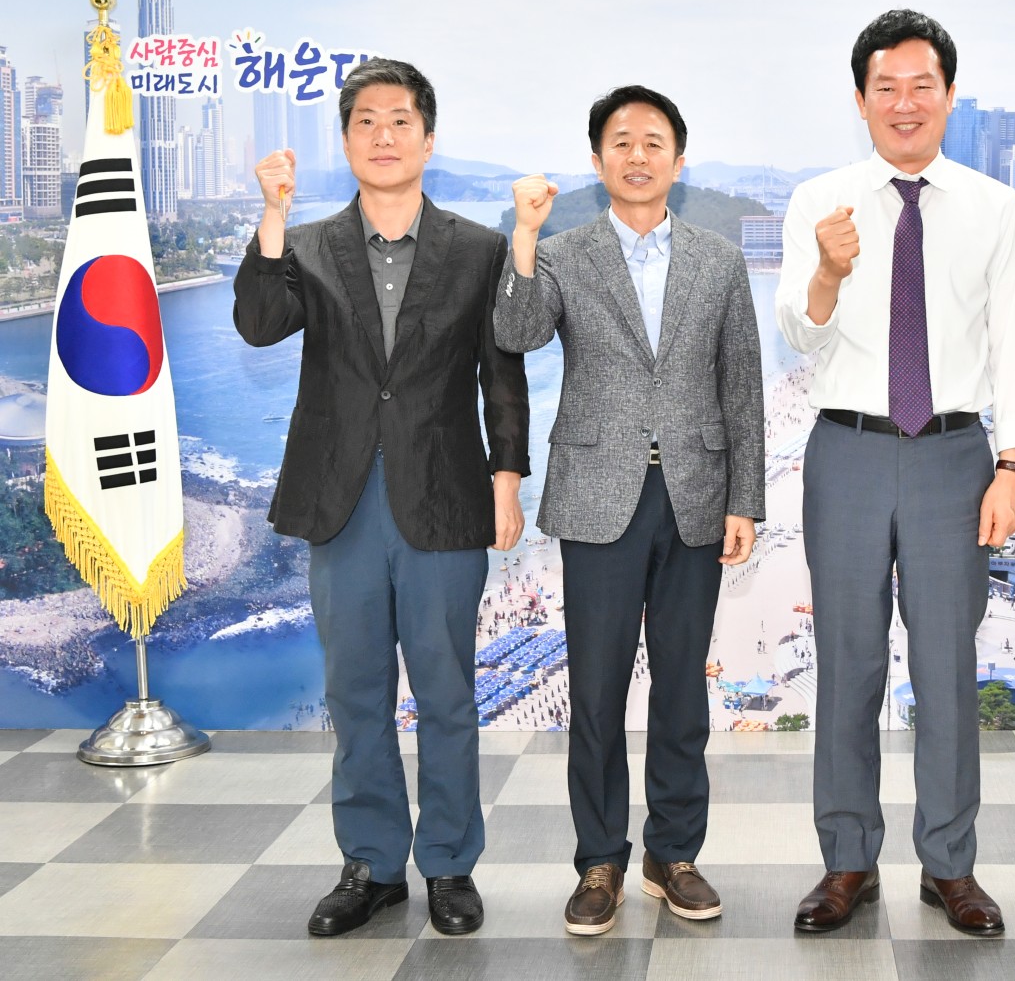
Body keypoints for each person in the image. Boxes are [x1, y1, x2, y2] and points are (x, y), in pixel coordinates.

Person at [234, 58, 529, 938]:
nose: (384, 136)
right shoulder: (307, 243)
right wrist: (272, 213)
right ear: (346, 140)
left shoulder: (477, 249)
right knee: (355, 693)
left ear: (428, 140)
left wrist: (506, 482)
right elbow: (258, 323)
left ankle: (449, 864)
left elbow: (501, 378)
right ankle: (370, 864)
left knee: (447, 694)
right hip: (343, 500)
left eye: (401, 120)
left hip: (445, 497)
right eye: (366, 121)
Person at [777, 9, 1015, 936]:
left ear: (949, 95)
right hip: (846, 450)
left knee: (947, 668)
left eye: (922, 85)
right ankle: (847, 861)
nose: (905, 102)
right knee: (846, 664)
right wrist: (827, 272)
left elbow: (1013, 347)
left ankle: (949, 867)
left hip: (955, 457)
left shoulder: (995, 207)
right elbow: (798, 334)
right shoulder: (821, 201)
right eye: (885, 87)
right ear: (861, 100)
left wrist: (1011, 466)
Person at [493, 85, 765, 936]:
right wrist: (525, 234)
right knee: (597, 691)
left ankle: (673, 854)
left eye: (653, 142)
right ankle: (600, 861)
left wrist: (745, 499)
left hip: (695, 497)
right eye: (621, 141)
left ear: (678, 161)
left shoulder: (719, 259)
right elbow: (515, 333)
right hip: (597, 496)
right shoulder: (563, 252)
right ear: (598, 159)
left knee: (682, 690)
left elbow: (742, 386)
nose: (637, 155)